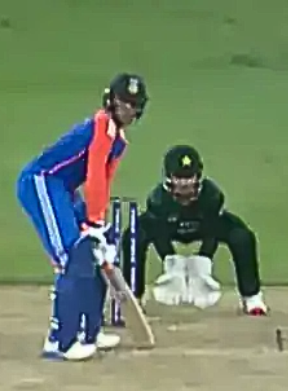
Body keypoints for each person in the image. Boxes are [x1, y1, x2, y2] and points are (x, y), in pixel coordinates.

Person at [16, 73, 149, 361]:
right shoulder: (102, 125)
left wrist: (99, 225)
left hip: (64, 190)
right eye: (125, 103)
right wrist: (93, 222)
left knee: (98, 250)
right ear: (112, 101)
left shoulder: (119, 140)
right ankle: (59, 342)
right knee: (71, 255)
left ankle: (90, 331)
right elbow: (94, 174)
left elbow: (105, 180)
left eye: (134, 105)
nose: (130, 110)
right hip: (42, 182)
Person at [121, 144, 267, 316]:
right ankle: (134, 297)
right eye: (179, 177)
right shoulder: (158, 200)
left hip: (204, 226)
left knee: (242, 237)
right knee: (133, 237)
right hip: (169, 228)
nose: (185, 183)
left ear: (198, 176)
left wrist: (203, 260)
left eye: (189, 177)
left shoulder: (212, 196)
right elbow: (160, 233)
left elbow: (213, 228)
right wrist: (171, 261)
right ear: (169, 177)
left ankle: (251, 296)